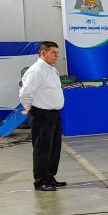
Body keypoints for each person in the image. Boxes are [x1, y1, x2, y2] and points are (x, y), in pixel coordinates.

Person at [19, 40, 66, 192]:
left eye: (57, 53)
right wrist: (29, 108)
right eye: (53, 52)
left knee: (54, 148)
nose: (56, 56)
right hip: (42, 114)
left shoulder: (52, 70)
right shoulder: (36, 71)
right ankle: (40, 181)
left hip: (54, 114)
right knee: (42, 149)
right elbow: (25, 93)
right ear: (43, 53)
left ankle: (49, 177)